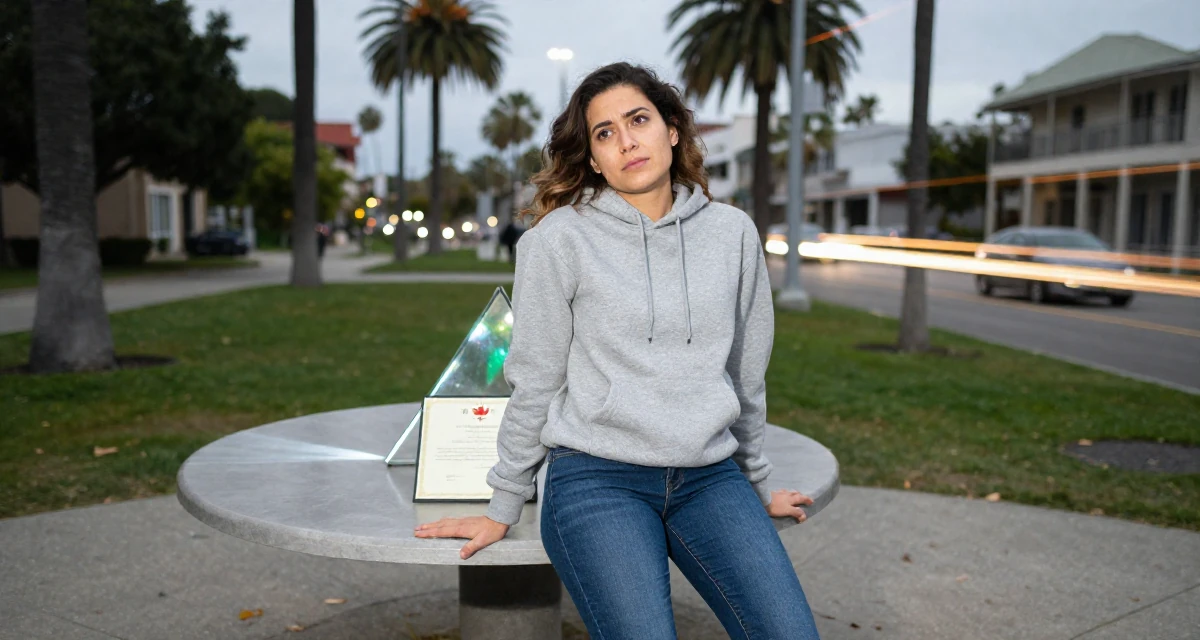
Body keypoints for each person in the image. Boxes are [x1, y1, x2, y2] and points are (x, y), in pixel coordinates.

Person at [414, 62, 821, 639]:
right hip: (597, 481)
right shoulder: (558, 241)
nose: (627, 141)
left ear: (672, 130)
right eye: (605, 133)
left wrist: (753, 484)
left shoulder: (732, 233)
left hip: (709, 477)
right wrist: (502, 504)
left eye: (638, 120)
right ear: (592, 158)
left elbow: (744, 373)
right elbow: (535, 379)